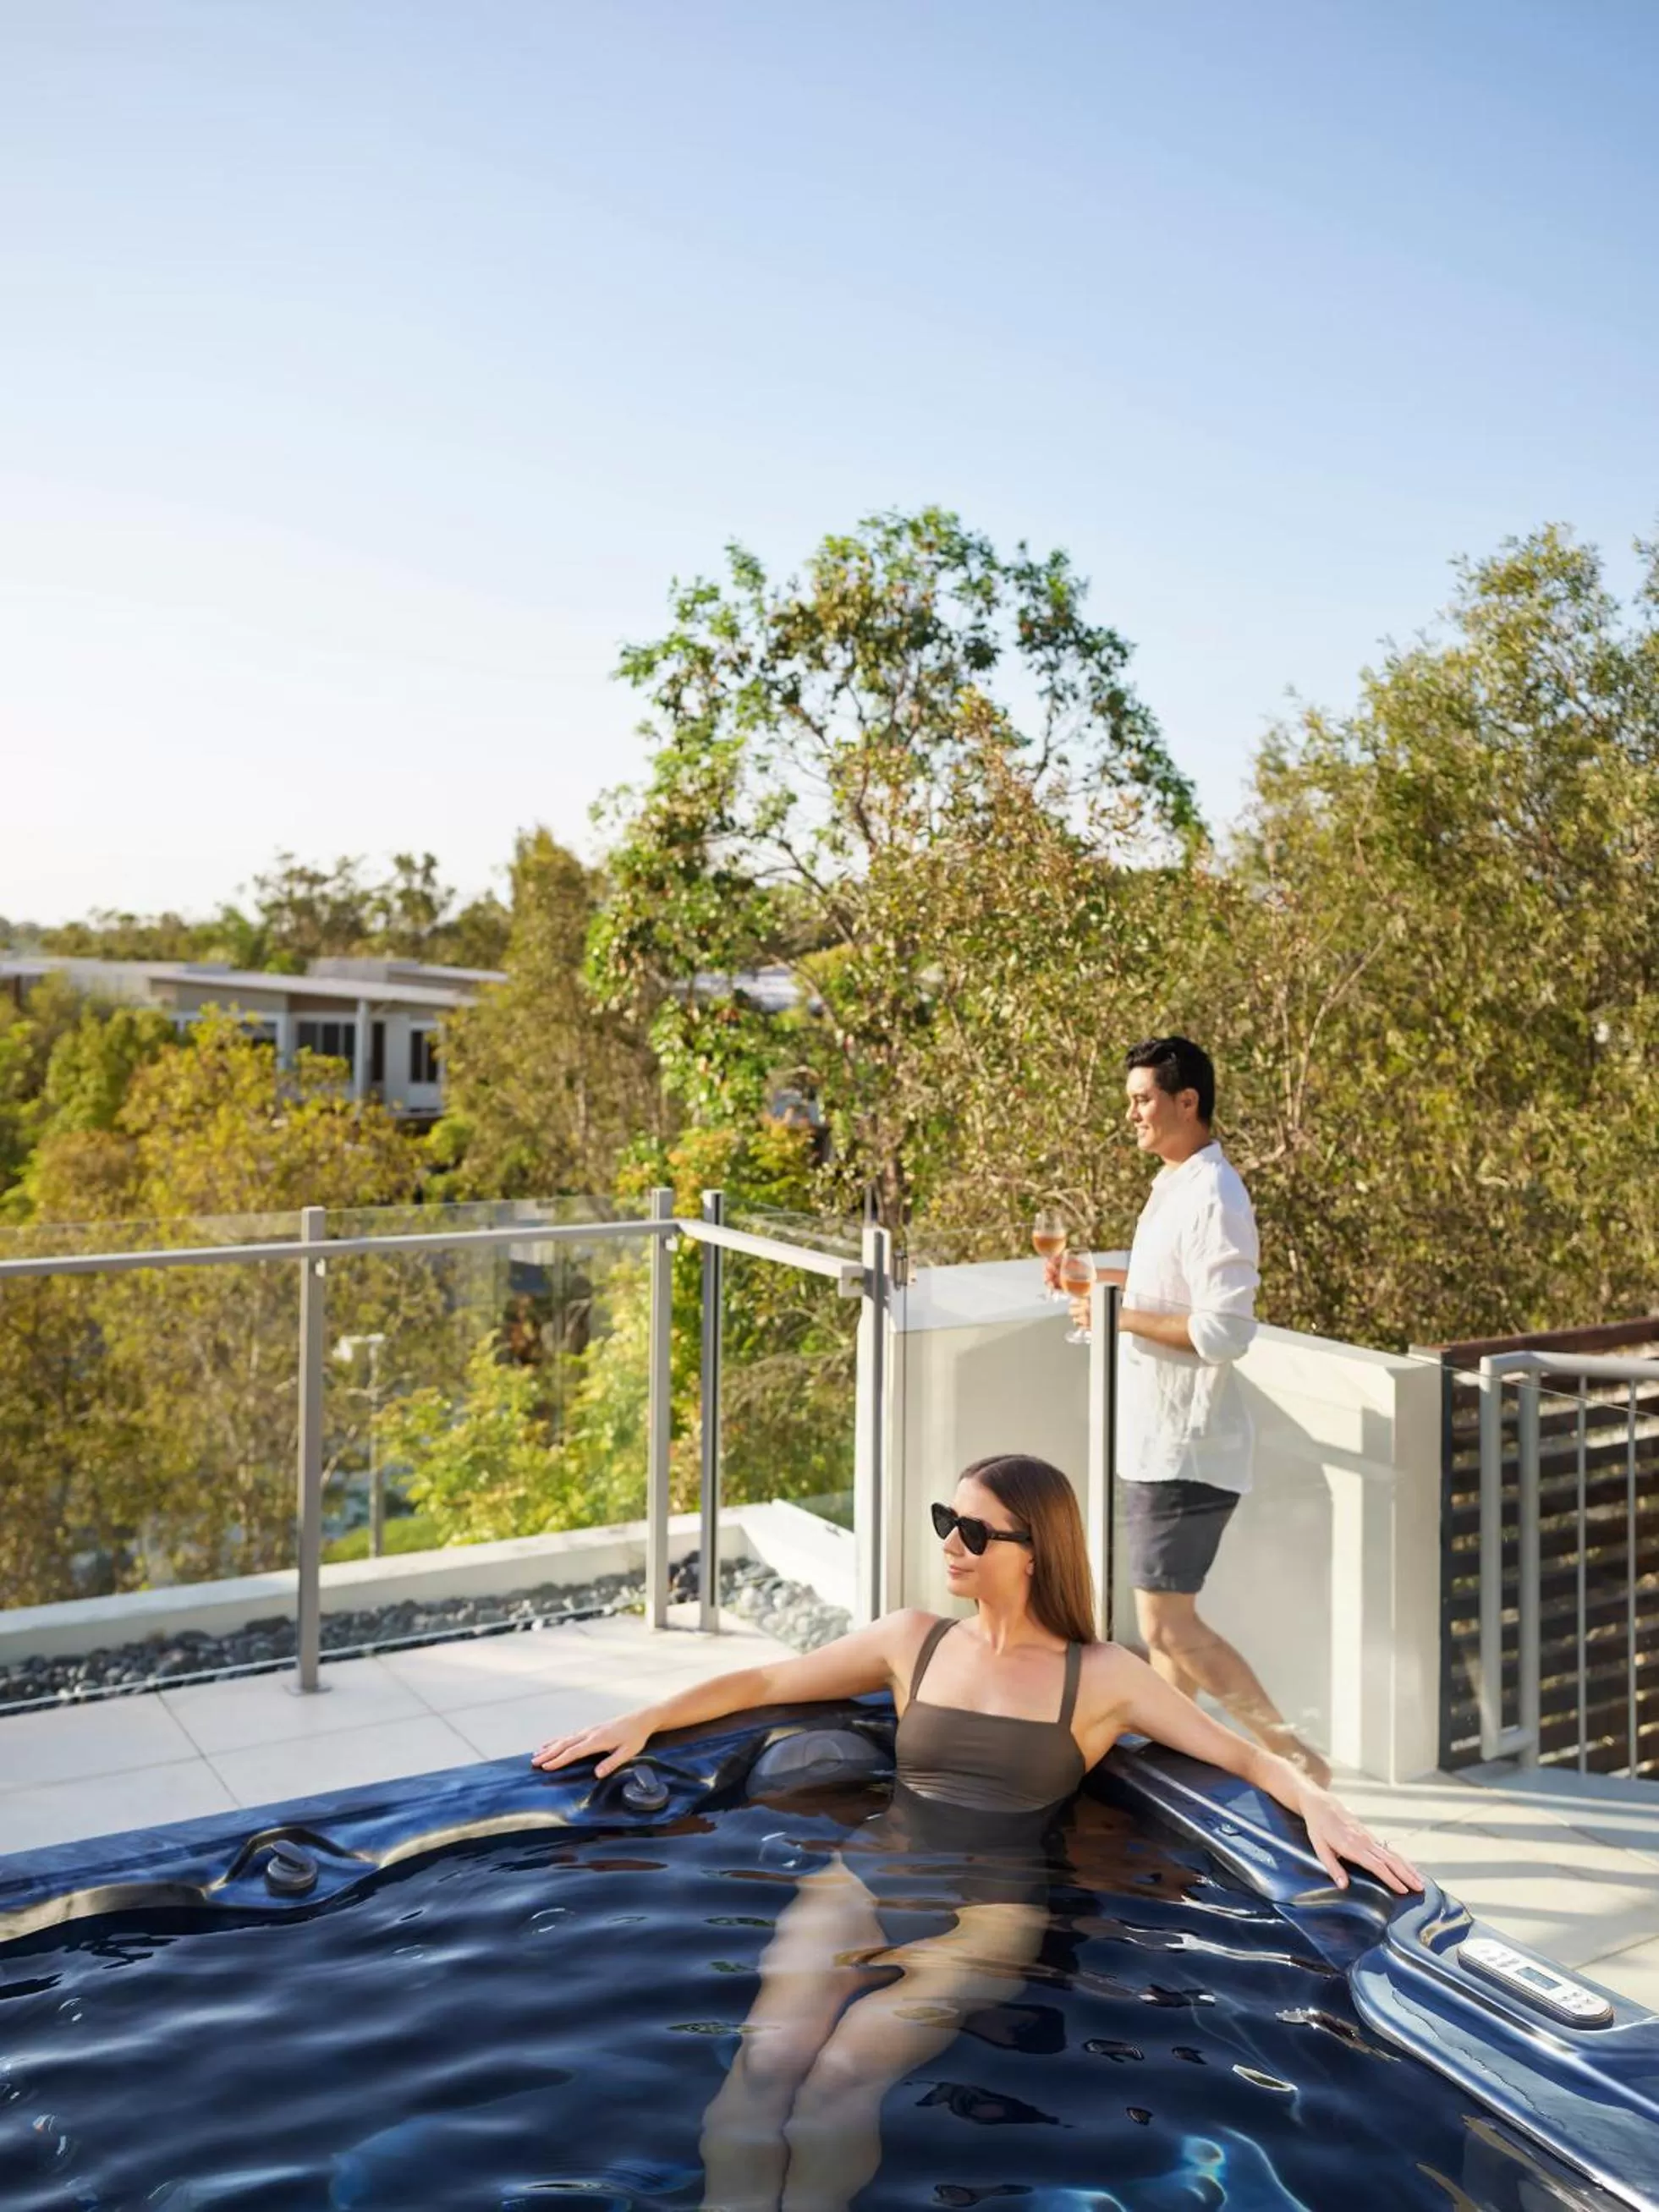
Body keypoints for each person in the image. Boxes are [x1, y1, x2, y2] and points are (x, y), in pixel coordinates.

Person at [531, 1453, 1420, 2212]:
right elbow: (766, 1681)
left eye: (972, 1530)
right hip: (864, 1876)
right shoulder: (913, 1640)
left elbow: (1246, 1757)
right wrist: (644, 1718)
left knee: (843, 2071)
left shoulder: (1101, 1674)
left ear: (1033, 1550)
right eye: (945, 1520)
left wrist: (1321, 1807)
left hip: (986, 1911)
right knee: (767, 2059)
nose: (950, 1543)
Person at [1056, 1034, 1330, 1787]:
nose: (1132, 1114)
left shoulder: (1215, 1194)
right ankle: (1170, 1763)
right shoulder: (1174, 1183)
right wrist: (1097, 1284)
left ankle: (1297, 1761)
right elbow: (1166, 1293)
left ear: (1187, 1100)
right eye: (1129, 1101)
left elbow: (1224, 1331)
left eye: (1142, 1099)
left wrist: (1116, 1316)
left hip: (1186, 1446)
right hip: (1155, 1440)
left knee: (1167, 1626)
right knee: (1164, 1633)